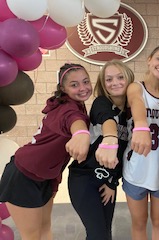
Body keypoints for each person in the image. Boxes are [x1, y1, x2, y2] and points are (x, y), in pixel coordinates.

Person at [0, 63, 92, 240]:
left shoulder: (73, 104)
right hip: (23, 176)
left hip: (45, 176)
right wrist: (81, 134)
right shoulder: (67, 109)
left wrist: (54, 180)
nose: (82, 88)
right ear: (62, 88)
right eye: (74, 84)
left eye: (85, 81)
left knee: (45, 229)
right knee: (32, 236)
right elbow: (73, 121)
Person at [68, 60, 134, 240]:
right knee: (97, 234)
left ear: (129, 79)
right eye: (109, 79)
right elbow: (107, 120)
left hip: (107, 181)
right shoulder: (101, 103)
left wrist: (113, 182)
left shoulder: (132, 112)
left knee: (105, 232)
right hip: (84, 180)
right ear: (103, 84)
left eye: (120, 77)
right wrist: (110, 139)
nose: (115, 83)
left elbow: (124, 154)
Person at [122, 45, 159, 240]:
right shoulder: (136, 87)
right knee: (139, 223)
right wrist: (141, 126)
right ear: (149, 59)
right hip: (136, 169)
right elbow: (136, 102)